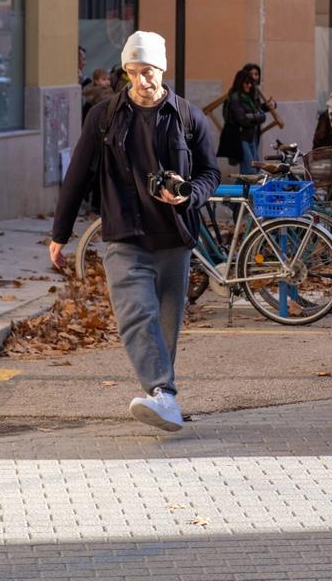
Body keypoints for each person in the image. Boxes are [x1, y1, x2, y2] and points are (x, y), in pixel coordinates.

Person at [49, 31, 220, 431]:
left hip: (175, 238)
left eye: (148, 71)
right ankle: (162, 392)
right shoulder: (104, 117)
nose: (141, 81)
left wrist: (188, 194)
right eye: (132, 72)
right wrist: (60, 232)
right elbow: (77, 176)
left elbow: (210, 172)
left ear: (162, 68)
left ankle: (164, 399)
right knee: (136, 314)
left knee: (165, 328)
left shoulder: (188, 117)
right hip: (125, 234)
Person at [219, 69, 267, 176]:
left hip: (251, 136)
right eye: (246, 82)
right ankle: (239, 187)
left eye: (251, 83)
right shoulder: (235, 97)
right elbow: (242, 119)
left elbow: (262, 116)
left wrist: (252, 117)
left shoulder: (250, 97)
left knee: (254, 169)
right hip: (240, 137)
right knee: (249, 171)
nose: (249, 85)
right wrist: (255, 117)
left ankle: (239, 187)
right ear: (240, 82)